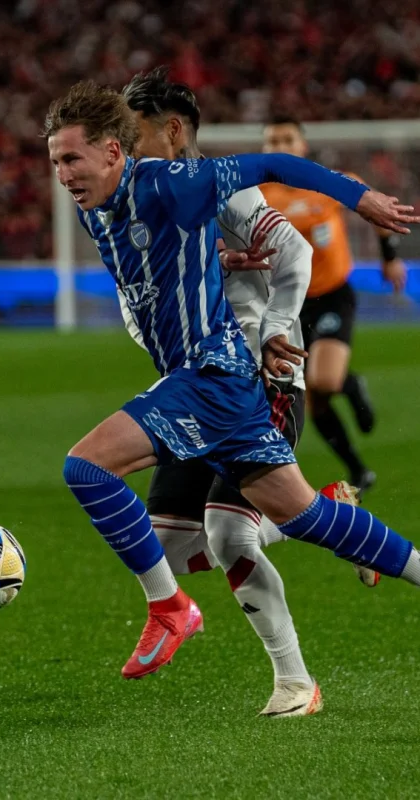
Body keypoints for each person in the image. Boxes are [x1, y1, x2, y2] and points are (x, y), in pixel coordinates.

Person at [44, 80, 420, 694]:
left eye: (71, 159)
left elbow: (274, 168)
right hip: (213, 382)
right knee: (300, 517)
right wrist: (210, 263)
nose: (61, 173)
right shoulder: (99, 207)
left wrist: (361, 199)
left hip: (217, 374)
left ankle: (173, 612)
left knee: (88, 469)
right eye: (55, 161)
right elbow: (154, 275)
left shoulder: (178, 182)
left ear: (117, 150)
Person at [119, 68, 379, 716]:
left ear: (173, 132)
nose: (123, 146)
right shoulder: (139, 200)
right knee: (172, 548)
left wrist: (275, 333)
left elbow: (293, 253)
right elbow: (136, 305)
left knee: (230, 535)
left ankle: (295, 683)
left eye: (134, 133)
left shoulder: (217, 189)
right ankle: (327, 511)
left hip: (257, 376)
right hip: (193, 383)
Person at [262, 116, 407, 493]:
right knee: (314, 400)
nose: (279, 146)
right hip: (286, 305)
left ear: (302, 146)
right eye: (272, 140)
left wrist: (389, 256)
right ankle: (358, 469)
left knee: (321, 381)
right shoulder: (257, 193)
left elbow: (375, 209)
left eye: (287, 139)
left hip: (331, 296)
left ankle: (347, 382)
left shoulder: (330, 182)